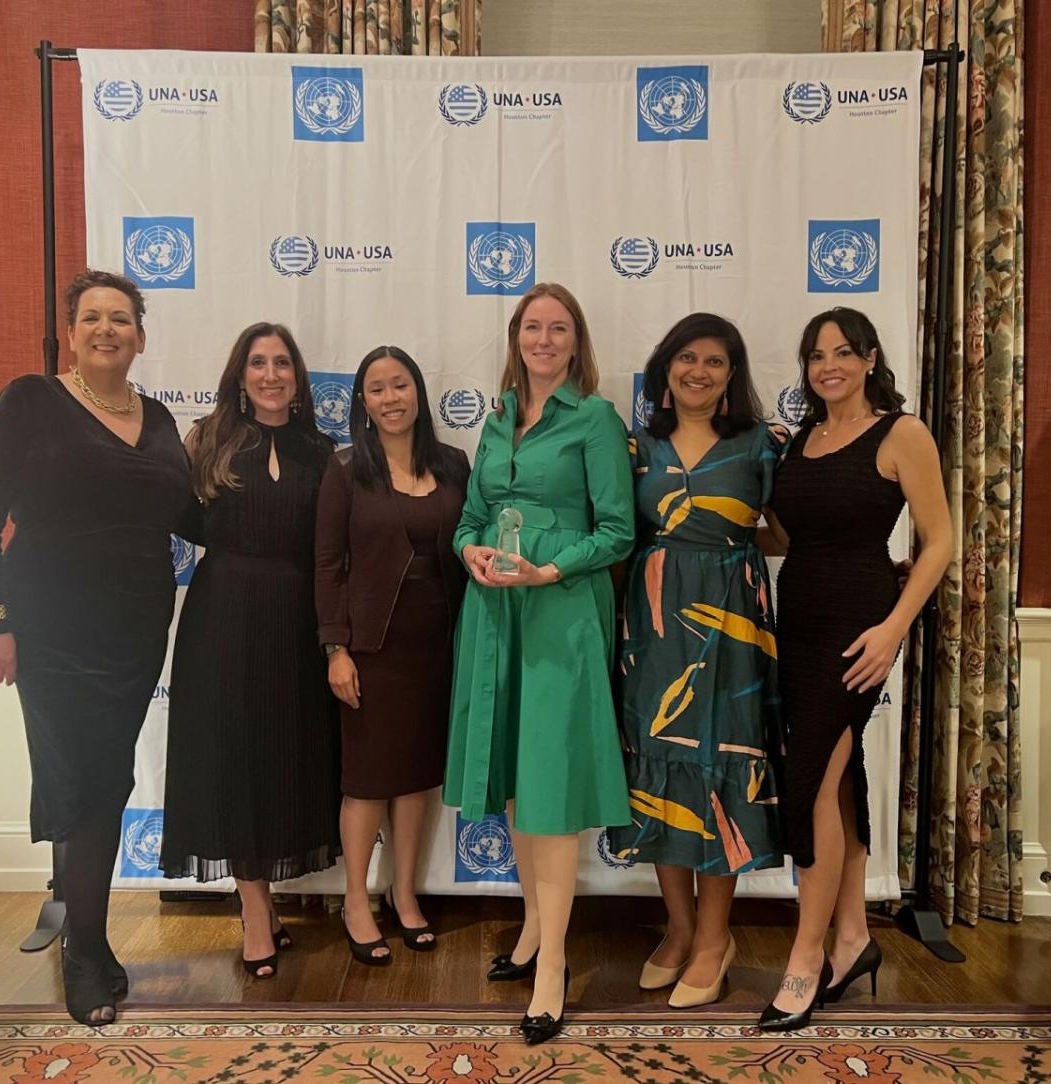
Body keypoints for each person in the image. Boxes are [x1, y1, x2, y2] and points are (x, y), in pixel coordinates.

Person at [0, 269, 191, 1026]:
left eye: (120, 319)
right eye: (92, 318)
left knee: (105, 775)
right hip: (53, 627)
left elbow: (191, 513)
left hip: (134, 630)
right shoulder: (31, 401)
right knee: (87, 779)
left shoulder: (156, 419)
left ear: (141, 337)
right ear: (71, 331)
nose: (106, 330)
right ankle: (85, 950)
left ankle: (81, 925)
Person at [445, 282, 634, 1044]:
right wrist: (471, 550)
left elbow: (618, 530)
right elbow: (466, 519)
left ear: (576, 341)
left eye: (559, 328)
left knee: (550, 791)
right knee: (519, 784)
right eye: (533, 326)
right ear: (516, 336)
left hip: (559, 619)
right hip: (495, 618)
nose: (545, 339)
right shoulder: (494, 425)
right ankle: (530, 928)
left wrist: (550, 571)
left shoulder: (593, 419)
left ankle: (553, 963)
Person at [758, 307, 951, 1031]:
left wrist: (894, 626)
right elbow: (787, 536)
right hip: (798, 620)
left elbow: (939, 540)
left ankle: (806, 958)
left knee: (807, 783)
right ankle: (852, 940)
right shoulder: (802, 439)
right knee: (834, 783)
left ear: (870, 359)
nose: (827, 366)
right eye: (815, 355)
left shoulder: (902, 433)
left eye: (843, 352)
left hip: (860, 630)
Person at [608, 313, 787, 1008]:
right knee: (662, 771)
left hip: (733, 625)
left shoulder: (761, 445)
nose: (699, 371)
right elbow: (619, 536)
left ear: (732, 374)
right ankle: (680, 931)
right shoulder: (636, 445)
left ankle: (716, 939)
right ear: (665, 368)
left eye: (715, 361)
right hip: (653, 626)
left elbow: (792, 534)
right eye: (686, 358)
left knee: (720, 768)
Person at [159, 322, 341, 979]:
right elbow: (174, 519)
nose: (271, 374)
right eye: (258, 363)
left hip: (296, 621)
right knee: (233, 758)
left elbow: (331, 546)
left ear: (297, 378)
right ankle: (255, 911)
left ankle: (269, 900)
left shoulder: (321, 451)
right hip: (223, 620)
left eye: (282, 363)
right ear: (240, 375)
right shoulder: (204, 441)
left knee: (284, 757)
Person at [315, 346, 470, 965]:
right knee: (368, 781)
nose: (390, 398)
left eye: (399, 384)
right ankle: (357, 900)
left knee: (416, 781)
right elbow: (327, 563)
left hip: (439, 645)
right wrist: (336, 648)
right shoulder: (346, 469)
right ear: (362, 402)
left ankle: (404, 895)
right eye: (376, 389)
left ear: (418, 391)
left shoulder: (454, 463)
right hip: (371, 647)